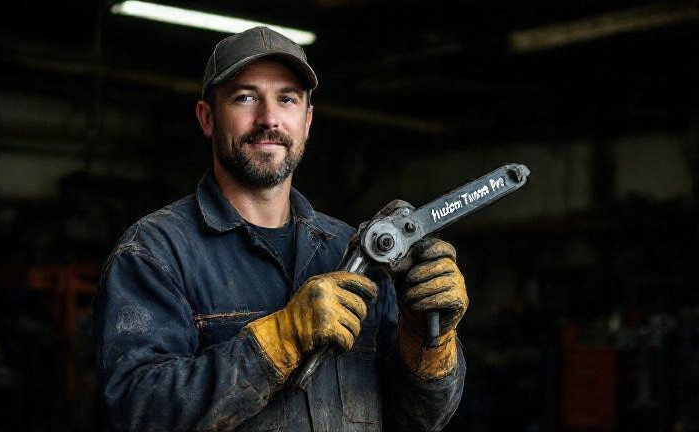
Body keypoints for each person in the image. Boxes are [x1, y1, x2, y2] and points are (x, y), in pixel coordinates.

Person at [94, 26, 468, 431]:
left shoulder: (356, 251)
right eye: (245, 97)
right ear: (207, 118)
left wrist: (428, 340)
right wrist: (281, 338)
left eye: (286, 99)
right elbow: (138, 411)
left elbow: (423, 418)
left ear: (306, 121)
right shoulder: (155, 255)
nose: (268, 118)